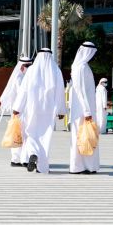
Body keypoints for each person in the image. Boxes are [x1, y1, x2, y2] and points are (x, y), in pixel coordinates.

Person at [16, 48, 65, 173]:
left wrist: (17, 108)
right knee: (45, 136)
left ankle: (33, 153)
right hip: (49, 110)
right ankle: (42, 167)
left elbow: (23, 91)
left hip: (32, 108)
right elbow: (60, 92)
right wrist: (61, 111)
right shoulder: (56, 71)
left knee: (31, 132)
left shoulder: (31, 70)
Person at [68, 41, 100, 174]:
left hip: (85, 109)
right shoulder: (80, 67)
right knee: (81, 137)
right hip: (82, 110)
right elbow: (80, 90)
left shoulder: (83, 66)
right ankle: (78, 167)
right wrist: (87, 111)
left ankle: (88, 166)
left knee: (88, 137)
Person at [0, 55, 33, 167]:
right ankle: (16, 159)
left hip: (25, 111)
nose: (29, 67)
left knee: (23, 134)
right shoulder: (18, 78)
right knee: (17, 134)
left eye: (30, 65)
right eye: (27, 65)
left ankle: (23, 158)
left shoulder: (27, 77)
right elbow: (21, 94)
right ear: (22, 66)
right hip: (18, 111)